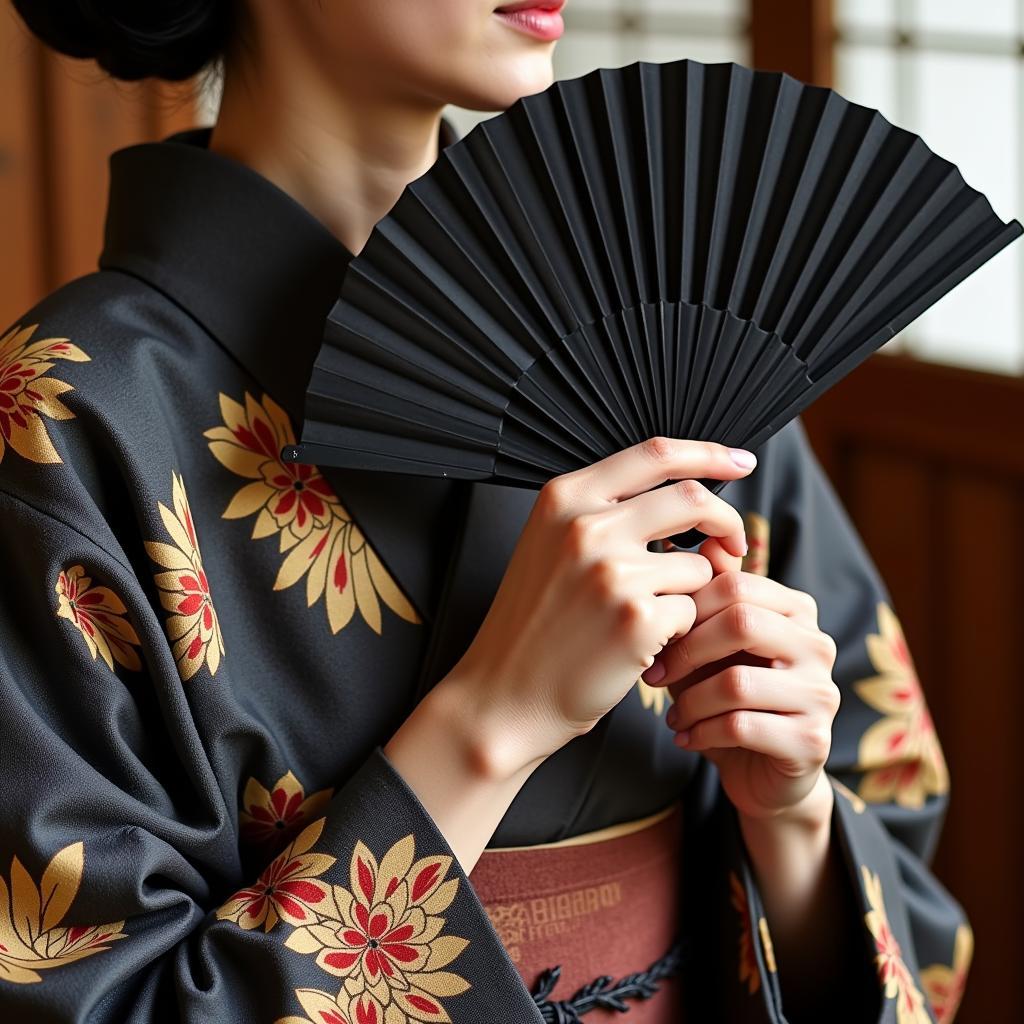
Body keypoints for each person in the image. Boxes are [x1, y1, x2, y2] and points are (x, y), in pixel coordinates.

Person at [0, 2, 970, 1022]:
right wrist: (493, 722)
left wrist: (792, 817)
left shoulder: (671, 331)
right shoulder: (63, 414)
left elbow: (892, 818)